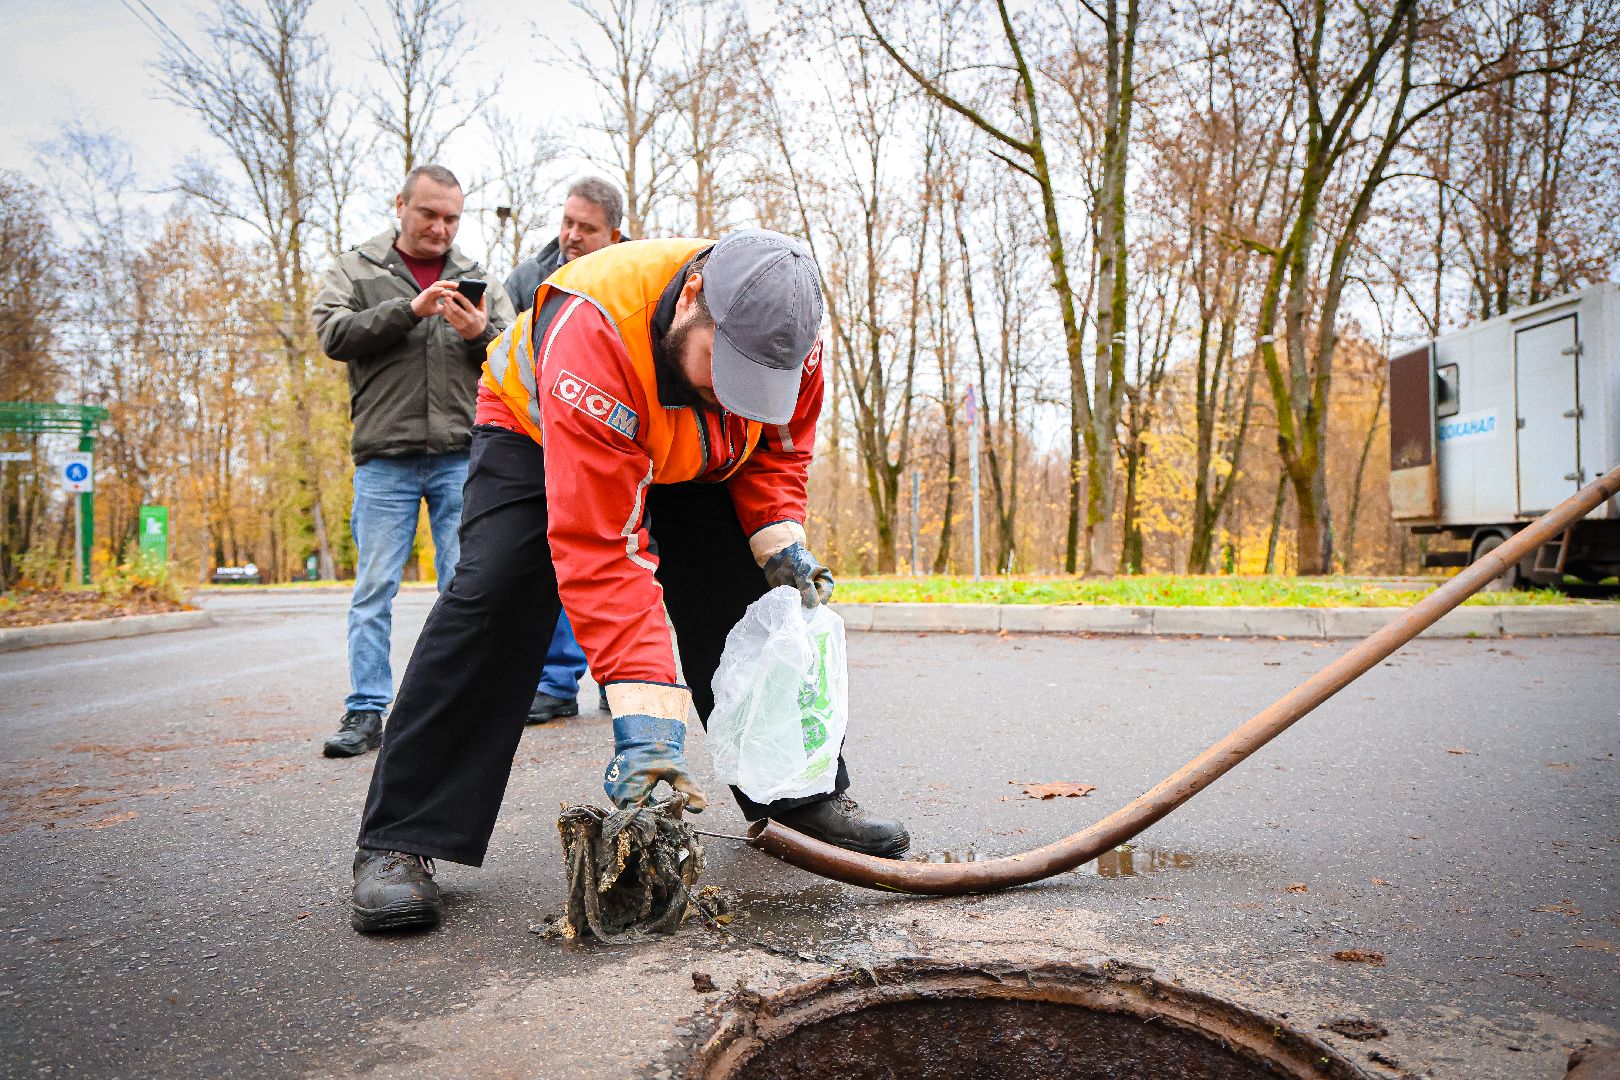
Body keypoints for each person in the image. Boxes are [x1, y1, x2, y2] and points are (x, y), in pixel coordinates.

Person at [348, 229, 910, 933]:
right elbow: (604, 551)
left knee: (750, 599)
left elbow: (779, 447)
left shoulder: (791, 341)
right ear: (693, 297)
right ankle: (402, 835)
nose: (731, 395)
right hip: (544, 432)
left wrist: (777, 537)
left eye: (753, 384)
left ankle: (798, 796)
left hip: (695, 455)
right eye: (724, 367)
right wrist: (647, 723)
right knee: (495, 597)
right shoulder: (597, 328)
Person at [312, 164, 517, 759]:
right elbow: (332, 334)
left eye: (452, 218)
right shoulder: (356, 269)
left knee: (466, 587)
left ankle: (458, 709)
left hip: (464, 457)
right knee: (374, 588)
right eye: (428, 213)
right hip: (385, 458)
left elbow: (516, 354)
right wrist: (409, 309)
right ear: (400, 204)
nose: (440, 227)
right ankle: (365, 711)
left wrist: (479, 333)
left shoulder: (478, 276)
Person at [501, 177, 624, 725]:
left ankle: (622, 678)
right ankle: (555, 682)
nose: (571, 235)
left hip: (618, 442)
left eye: (586, 227)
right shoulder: (527, 279)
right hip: (545, 437)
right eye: (567, 222)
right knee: (559, 560)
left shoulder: (630, 276)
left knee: (620, 560)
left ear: (613, 235)